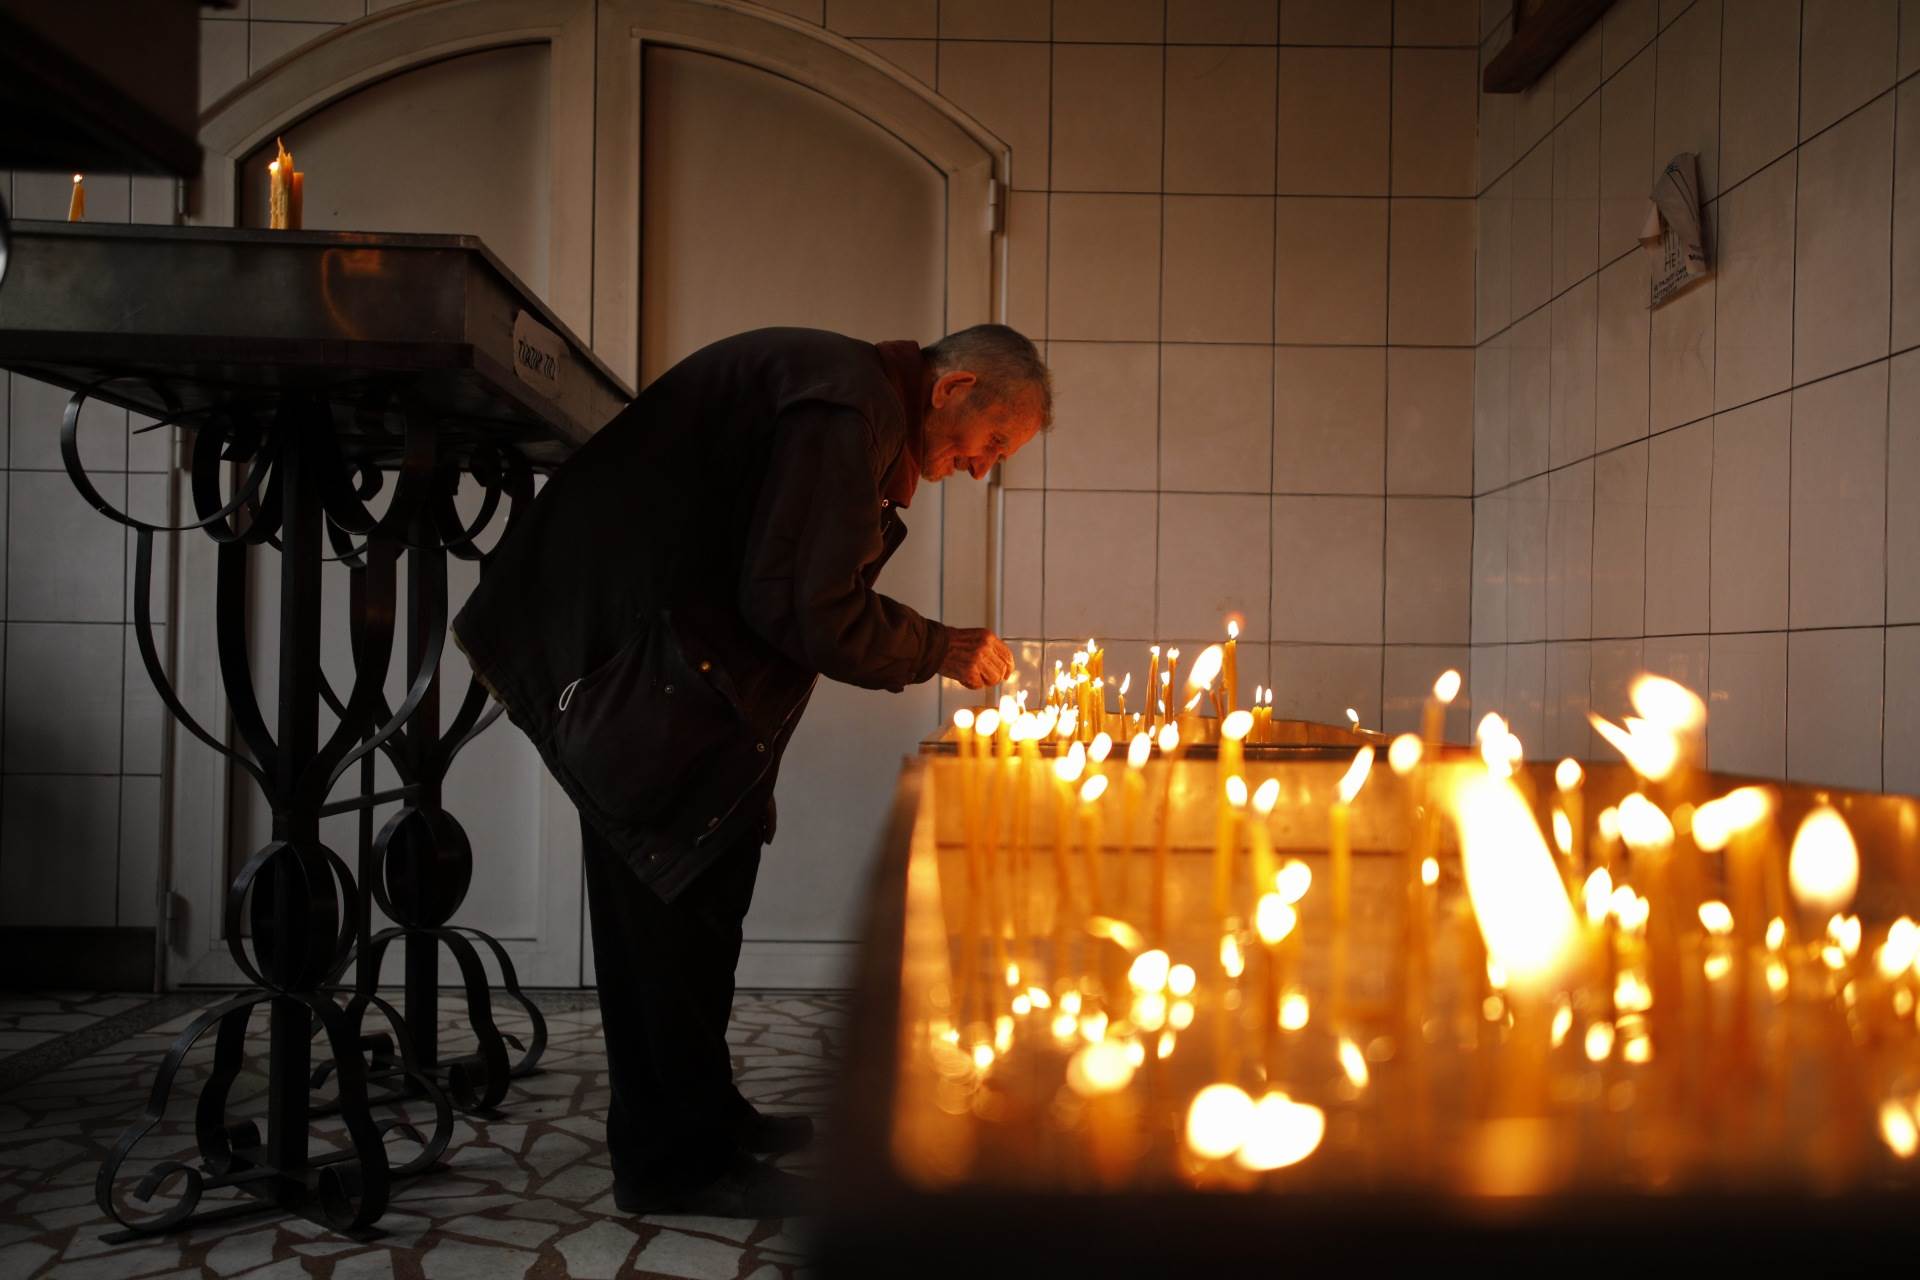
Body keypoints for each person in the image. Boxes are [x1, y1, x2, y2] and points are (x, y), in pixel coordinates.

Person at [452, 324, 1050, 1216]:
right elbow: (801, 601)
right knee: (664, 901)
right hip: (618, 660)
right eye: (991, 443)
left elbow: (777, 577)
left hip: (659, 658)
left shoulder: (856, 400)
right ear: (951, 387)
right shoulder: (848, 404)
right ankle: (673, 1161)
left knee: (709, 880)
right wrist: (938, 647)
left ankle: (706, 1115)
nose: (979, 468)